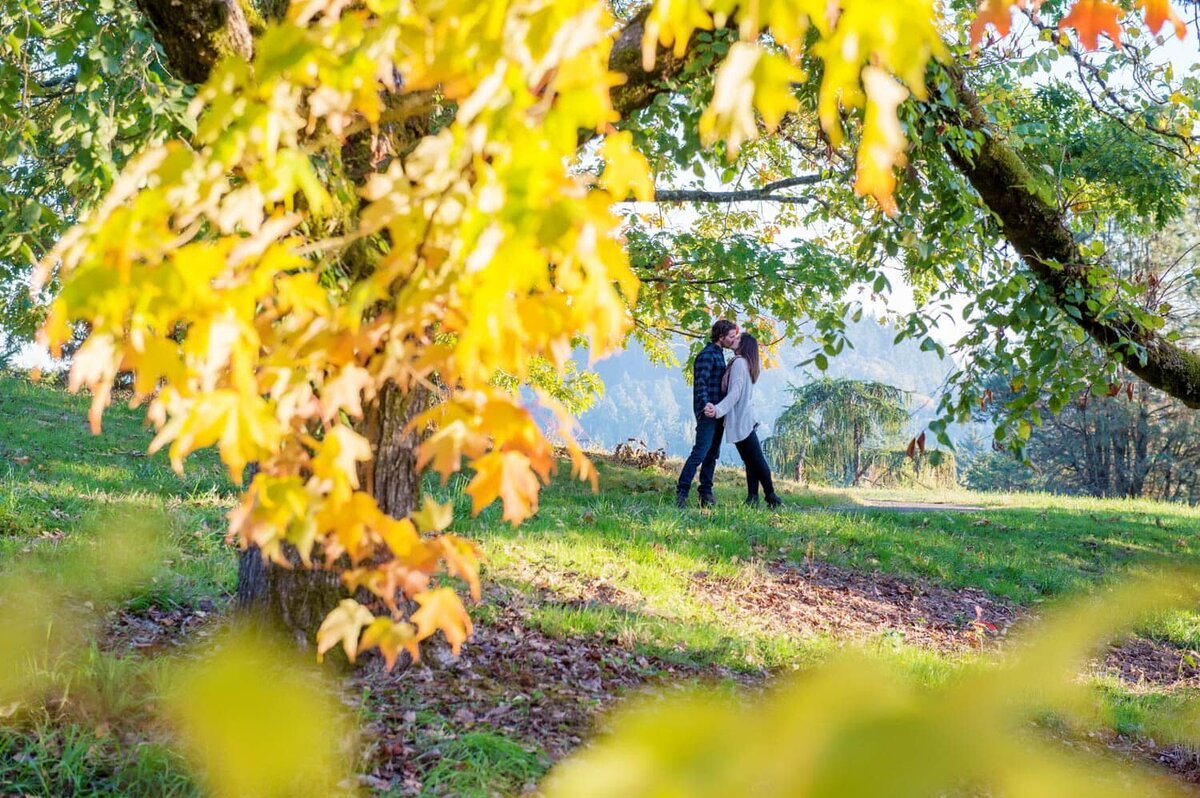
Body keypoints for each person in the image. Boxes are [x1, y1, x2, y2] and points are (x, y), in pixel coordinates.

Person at [704, 333, 782, 508]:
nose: (733, 340)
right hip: (743, 418)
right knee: (751, 460)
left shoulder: (739, 363)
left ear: (743, 345)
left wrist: (717, 410)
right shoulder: (744, 363)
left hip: (742, 419)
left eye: (737, 339)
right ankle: (752, 497)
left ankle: (771, 496)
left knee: (756, 459)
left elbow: (735, 393)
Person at [675, 319, 739, 508]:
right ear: (721, 337)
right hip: (708, 413)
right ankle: (682, 491)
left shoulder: (719, 355)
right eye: (731, 337)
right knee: (700, 453)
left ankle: (706, 492)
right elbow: (700, 383)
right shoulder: (707, 355)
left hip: (718, 412)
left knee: (712, 454)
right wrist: (705, 407)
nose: (733, 340)